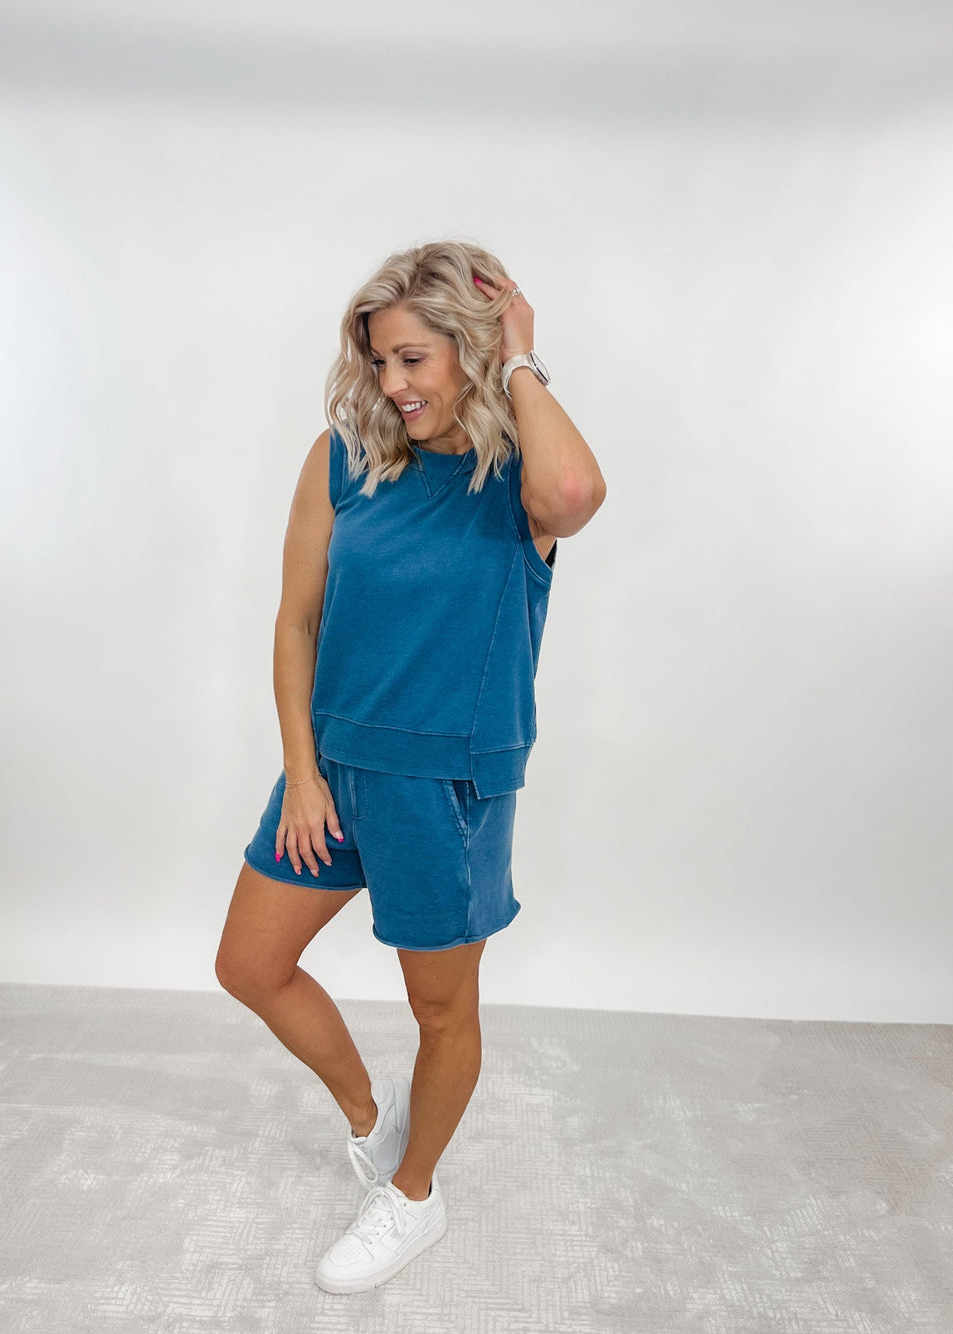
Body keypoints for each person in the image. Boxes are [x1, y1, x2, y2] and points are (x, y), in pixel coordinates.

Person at [215, 240, 606, 1294]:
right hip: (333, 772)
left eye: (415, 359)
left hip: (445, 786)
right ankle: (372, 1119)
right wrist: (302, 772)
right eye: (379, 359)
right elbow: (296, 623)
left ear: (470, 351)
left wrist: (521, 354)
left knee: (440, 1011)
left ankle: (415, 1196)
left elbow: (576, 491)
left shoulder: (518, 480)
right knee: (250, 963)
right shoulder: (344, 458)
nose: (391, 383)